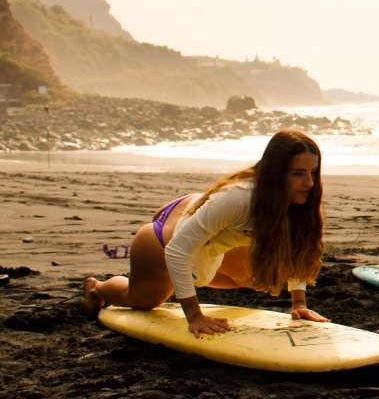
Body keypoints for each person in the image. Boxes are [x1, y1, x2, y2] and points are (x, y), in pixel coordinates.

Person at [83, 130, 329, 337]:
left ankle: (177, 279)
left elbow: (299, 248)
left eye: (313, 173)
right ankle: (99, 288)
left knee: (256, 278)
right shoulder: (241, 199)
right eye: (298, 173)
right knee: (145, 300)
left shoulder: (299, 200)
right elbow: (177, 250)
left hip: (201, 227)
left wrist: (299, 304)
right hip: (159, 242)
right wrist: (194, 315)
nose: (309, 182)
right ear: (275, 173)